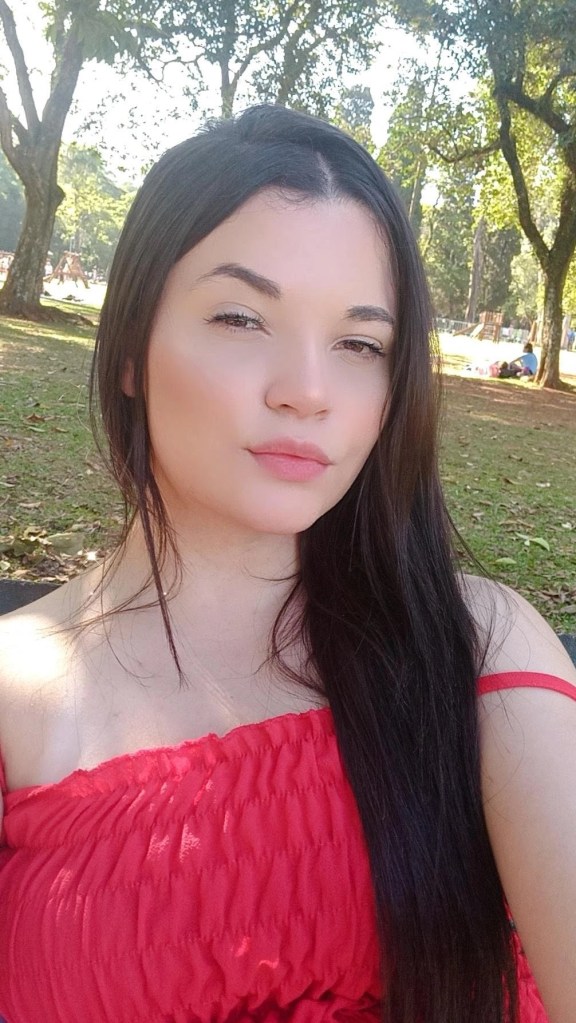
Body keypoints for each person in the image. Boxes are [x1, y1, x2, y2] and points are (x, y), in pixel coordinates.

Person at [0, 105, 575, 1023]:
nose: (308, 391)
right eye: (241, 317)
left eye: (360, 343)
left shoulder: (477, 647)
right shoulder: (16, 690)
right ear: (132, 349)